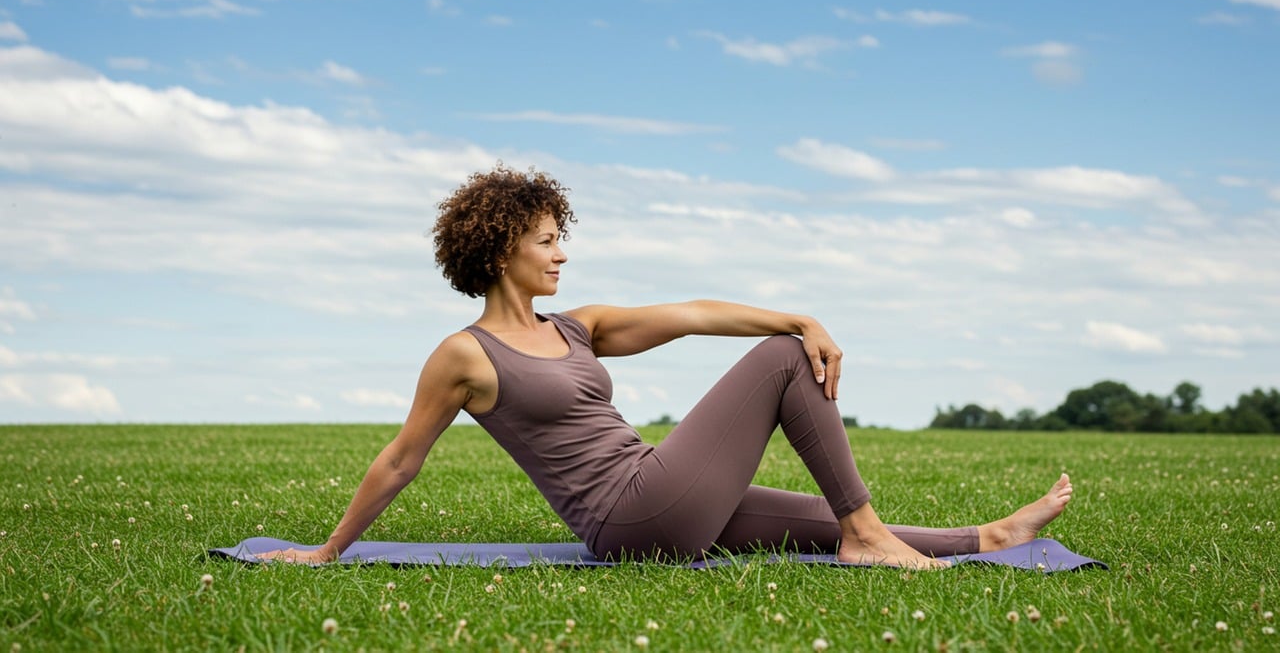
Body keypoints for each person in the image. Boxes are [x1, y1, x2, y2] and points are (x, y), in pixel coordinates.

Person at [259, 165, 1072, 569]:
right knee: (786, 363)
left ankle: (990, 536)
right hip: (629, 520)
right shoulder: (463, 355)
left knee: (809, 523)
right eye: (546, 240)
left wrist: (798, 312)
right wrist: (329, 552)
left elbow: (690, 316)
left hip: (659, 489)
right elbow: (403, 457)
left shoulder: (579, 327)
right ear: (501, 247)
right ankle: (867, 534)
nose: (560, 253)